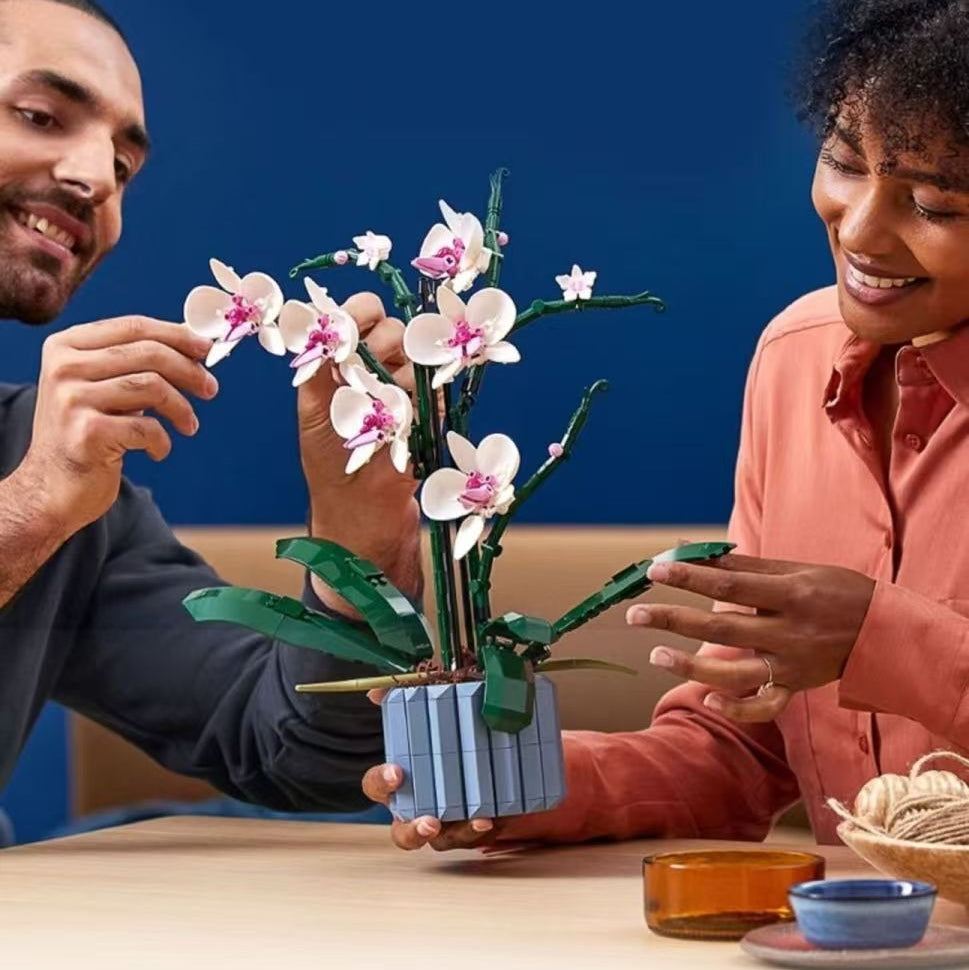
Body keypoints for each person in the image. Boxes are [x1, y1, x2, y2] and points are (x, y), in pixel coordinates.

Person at [364, 0, 969, 850]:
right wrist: (524, 784)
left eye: (935, 205)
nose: (860, 229)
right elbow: (740, 749)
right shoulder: (794, 359)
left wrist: (883, 639)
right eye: (842, 163)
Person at [0, 0, 421, 817]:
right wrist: (25, 514)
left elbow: (296, 752)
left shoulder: (57, 470)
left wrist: (358, 539)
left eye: (124, 167)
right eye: (40, 115)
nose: (95, 180)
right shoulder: (45, 484)